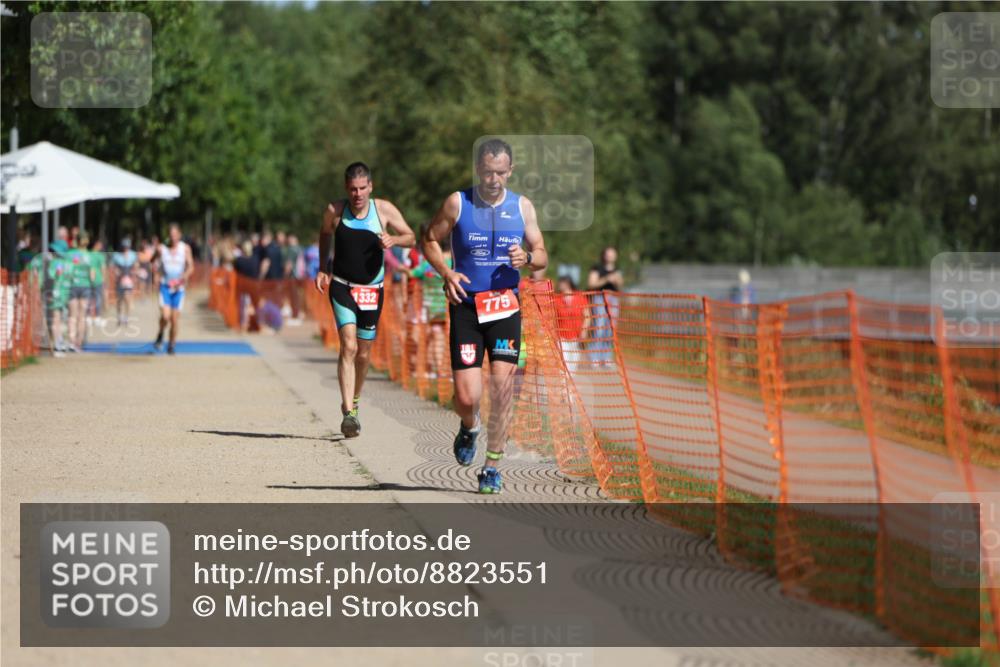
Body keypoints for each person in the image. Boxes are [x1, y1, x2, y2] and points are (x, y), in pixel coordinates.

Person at [421, 138, 548, 494]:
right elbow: (429, 239)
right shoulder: (457, 202)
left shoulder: (522, 206)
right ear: (478, 169)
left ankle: (492, 466)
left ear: (511, 171)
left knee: (503, 387)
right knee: (466, 396)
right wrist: (447, 273)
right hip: (466, 305)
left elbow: (541, 252)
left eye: (501, 173)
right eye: (488, 172)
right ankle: (469, 425)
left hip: (505, 307)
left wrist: (529, 258)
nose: (494, 180)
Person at [314, 161, 416, 438]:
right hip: (342, 286)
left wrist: (394, 240)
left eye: (362, 188)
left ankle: (355, 399)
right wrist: (322, 268)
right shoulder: (335, 211)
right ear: (346, 188)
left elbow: (411, 237)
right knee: (348, 346)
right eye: (352, 189)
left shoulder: (383, 210)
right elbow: (325, 233)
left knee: (363, 353)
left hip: (372, 291)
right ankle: (348, 413)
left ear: (370, 186)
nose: (357, 194)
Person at [152, 224, 194, 354]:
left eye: (175, 235)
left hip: (178, 289)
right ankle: (160, 333)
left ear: (179, 235)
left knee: (174, 320)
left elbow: (191, 266)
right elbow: (153, 261)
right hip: (165, 286)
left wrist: (184, 276)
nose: (173, 238)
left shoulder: (185, 248)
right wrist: (156, 275)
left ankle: (171, 345)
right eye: (171, 235)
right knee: (165, 316)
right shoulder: (162, 248)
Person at [586, 246, 623, 364]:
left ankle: (606, 356)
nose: (610, 256)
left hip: (613, 299)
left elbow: (620, 286)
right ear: (604, 255)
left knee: (610, 329)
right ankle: (594, 356)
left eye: (612, 254)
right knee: (599, 327)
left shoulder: (617, 270)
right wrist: (606, 279)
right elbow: (591, 284)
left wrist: (616, 280)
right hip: (600, 298)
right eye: (608, 254)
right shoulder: (597, 268)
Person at [554, 276, 590, 374]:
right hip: (561, 337)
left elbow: (587, 316)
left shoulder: (580, 297)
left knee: (573, 366)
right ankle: (565, 382)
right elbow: (552, 317)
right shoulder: (556, 298)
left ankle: (569, 382)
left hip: (576, 336)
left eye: (562, 283)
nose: (560, 285)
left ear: (568, 284)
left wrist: (584, 331)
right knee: (564, 364)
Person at [66, 235, 94, 352]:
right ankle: (79, 342)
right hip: (85, 286)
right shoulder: (90, 256)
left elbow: (68, 271)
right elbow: (92, 276)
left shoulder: (70, 254)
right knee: (82, 316)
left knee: (72, 315)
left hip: (73, 286)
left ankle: (71, 342)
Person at [112, 238, 138, 327]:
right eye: (124, 247)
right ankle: (119, 316)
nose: (125, 249)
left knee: (127, 299)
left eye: (127, 247)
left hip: (129, 280)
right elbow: (114, 267)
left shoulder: (133, 255)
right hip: (119, 280)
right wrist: (116, 272)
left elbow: (135, 266)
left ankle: (126, 317)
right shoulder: (117, 256)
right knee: (119, 300)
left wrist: (134, 275)